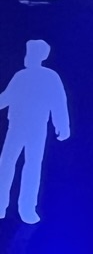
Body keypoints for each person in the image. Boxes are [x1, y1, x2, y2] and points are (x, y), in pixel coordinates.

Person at [0, 37, 69, 225]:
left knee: (31, 166)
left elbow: (58, 102)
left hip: (37, 128)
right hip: (16, 125)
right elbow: (6, 97)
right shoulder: (20, 76)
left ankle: (27, 209)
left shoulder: (50, 77)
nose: (27, 57)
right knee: (6, 163)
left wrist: (62, 125)